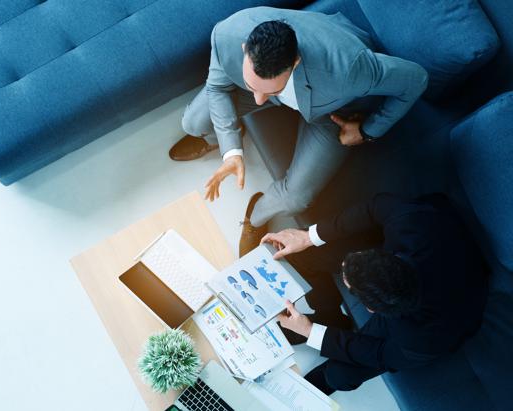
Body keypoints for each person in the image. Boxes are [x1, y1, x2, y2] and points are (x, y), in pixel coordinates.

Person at [170, 7, 429, 256]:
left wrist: (368, 130)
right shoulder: (227, 35)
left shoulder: (350, 69)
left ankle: (255, 215)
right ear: (243, 49)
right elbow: (217, 88)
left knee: (296, 198)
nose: (258, 100)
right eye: (252, 86)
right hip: (287, 92)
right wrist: (232, 151)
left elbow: (415, 78)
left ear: (294, 63)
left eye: (269, 90)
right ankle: (227, 137)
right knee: (193, 123)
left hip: (330, 112)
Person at [260, 193, 487, 394]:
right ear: (387, 255)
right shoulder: (411, 222)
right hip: (437, 242)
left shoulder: (421, 338)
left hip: (455, 304)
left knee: (341, 374)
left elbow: (380, 354)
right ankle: (331, 317)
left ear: (372, 310)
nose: (342, 269)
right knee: (303, 254)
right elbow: (375, 206)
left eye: (347, 283)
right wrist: (307, 237)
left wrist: (311, 332)